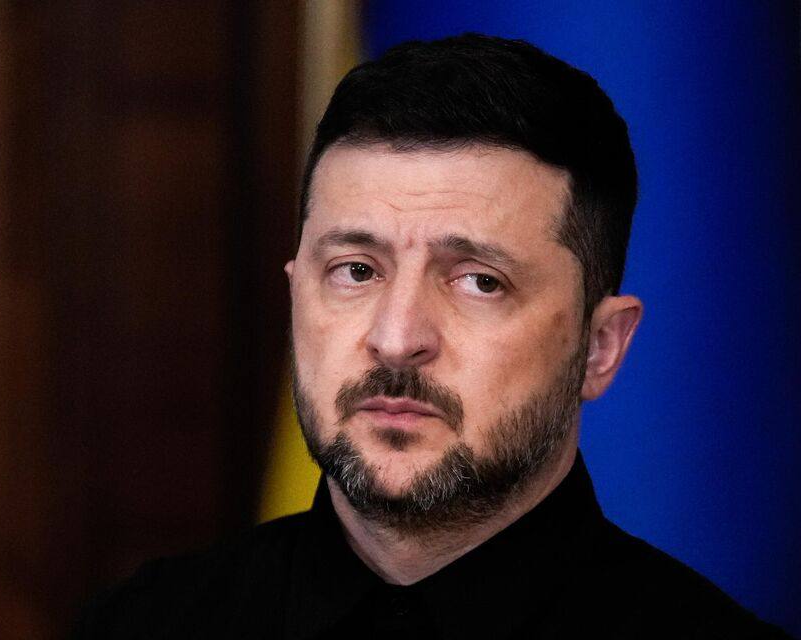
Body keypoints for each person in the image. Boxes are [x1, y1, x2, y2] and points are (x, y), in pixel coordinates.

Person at [74, 34, 790, 639]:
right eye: (357, 270)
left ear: (600, 347)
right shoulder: (140, 624)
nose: (396, 339)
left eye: (479, 281)